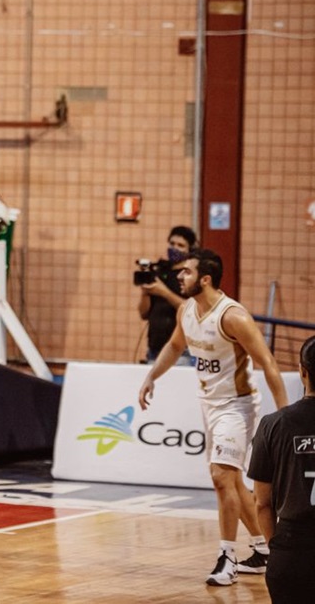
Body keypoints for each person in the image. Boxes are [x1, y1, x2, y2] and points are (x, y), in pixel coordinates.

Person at [138, 248, 289, 587]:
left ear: (205, 279)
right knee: (231, 481)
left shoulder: (233, 316)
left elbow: (268, 363)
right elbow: (176, 347)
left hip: (237, 405)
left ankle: (227, 555)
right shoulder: (187, 311)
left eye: (187, 272)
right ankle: (264, 548)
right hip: (209, 402)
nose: (180, 276)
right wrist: (151, 377)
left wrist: (284, 415)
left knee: (221, 476)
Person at [248, 335, 315, 603]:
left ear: (302, 372)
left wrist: (276, 548)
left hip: (291, 549)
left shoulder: (273, 424)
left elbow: (262, 503)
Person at [137, 225, 196, 362]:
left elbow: (192, 310)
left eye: (180, 245)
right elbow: (143, 314)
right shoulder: (160, 271)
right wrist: (145, 293)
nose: (175, 248)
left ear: (189, 250)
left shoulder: (191, 275)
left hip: (182, 352)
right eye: (172, 244)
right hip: (155, 350)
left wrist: (164, 292)